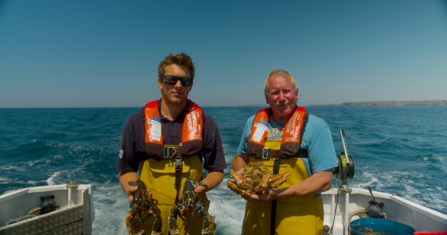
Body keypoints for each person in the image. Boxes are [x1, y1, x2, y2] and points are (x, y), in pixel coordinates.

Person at [118, 53, 227, 235]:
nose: (178, 85)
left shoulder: (207, 124)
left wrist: (203, 186)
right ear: (160, 82)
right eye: (171, 79)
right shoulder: (136, 122)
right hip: (149, 213)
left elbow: (217, 170)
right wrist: (131, 189)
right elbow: (126, 168)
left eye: (185, 81)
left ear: (191, 85)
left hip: (191, 215)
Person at [232, 69, 338, 235]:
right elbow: (240, 158)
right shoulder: (253, 123)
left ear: (296, 94)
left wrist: (281, 194)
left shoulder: (316, 126)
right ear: (267, 98)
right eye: (274, 93)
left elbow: (325, 179)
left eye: (286, 91)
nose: (281, 98)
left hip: (299, 224)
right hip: (256, 224)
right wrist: (242, 176)